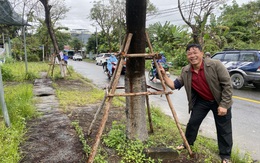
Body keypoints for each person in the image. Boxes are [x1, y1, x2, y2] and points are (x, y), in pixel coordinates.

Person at [159, 44, 233, 163]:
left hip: (220, 100)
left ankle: (226, 156)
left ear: (202, 54)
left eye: (195, 52)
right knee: (193, 122)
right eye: (189, 53)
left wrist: (224, 105)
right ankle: (187, 143)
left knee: (224, 128)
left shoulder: (215, 65)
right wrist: (163, 75)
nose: (192, 56)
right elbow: (174, 85)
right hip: (202, 101)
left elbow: (227, 86)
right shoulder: (186, 70)